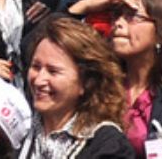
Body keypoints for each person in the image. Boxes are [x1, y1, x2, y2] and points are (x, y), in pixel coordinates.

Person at [20, 15, 137, 157]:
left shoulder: (109, 147)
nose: (39, 80)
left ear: (85, 81)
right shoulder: (18, 134)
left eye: (53, 71)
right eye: (36, 67)